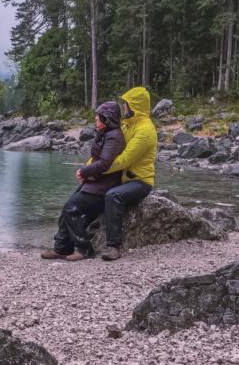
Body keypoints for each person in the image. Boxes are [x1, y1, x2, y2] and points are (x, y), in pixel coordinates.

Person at [42, 102, 125, 261]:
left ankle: (85, 249)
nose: (95, 117)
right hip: (96, 182)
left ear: (106, 118)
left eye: (98, 115)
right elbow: (96, 160)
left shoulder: (114, 135)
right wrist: (86, 172)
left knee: (71, 208)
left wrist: (84, 171)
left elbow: (105, 163)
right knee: (66, 210)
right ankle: (62, 248)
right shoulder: (105, 132)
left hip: (104, 186)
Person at [97, 87, 158, 261]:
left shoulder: (145, 130)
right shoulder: (127, 125)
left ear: (133, 106)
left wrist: (96, 170)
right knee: (91, 190)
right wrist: (89, 167)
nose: (123, 107)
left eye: (125, 104)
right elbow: (108, 154)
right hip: (122, 178)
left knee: (113, 195)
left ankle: (114, 246)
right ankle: (76, 242)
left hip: (141, 181)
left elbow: (123, 160)